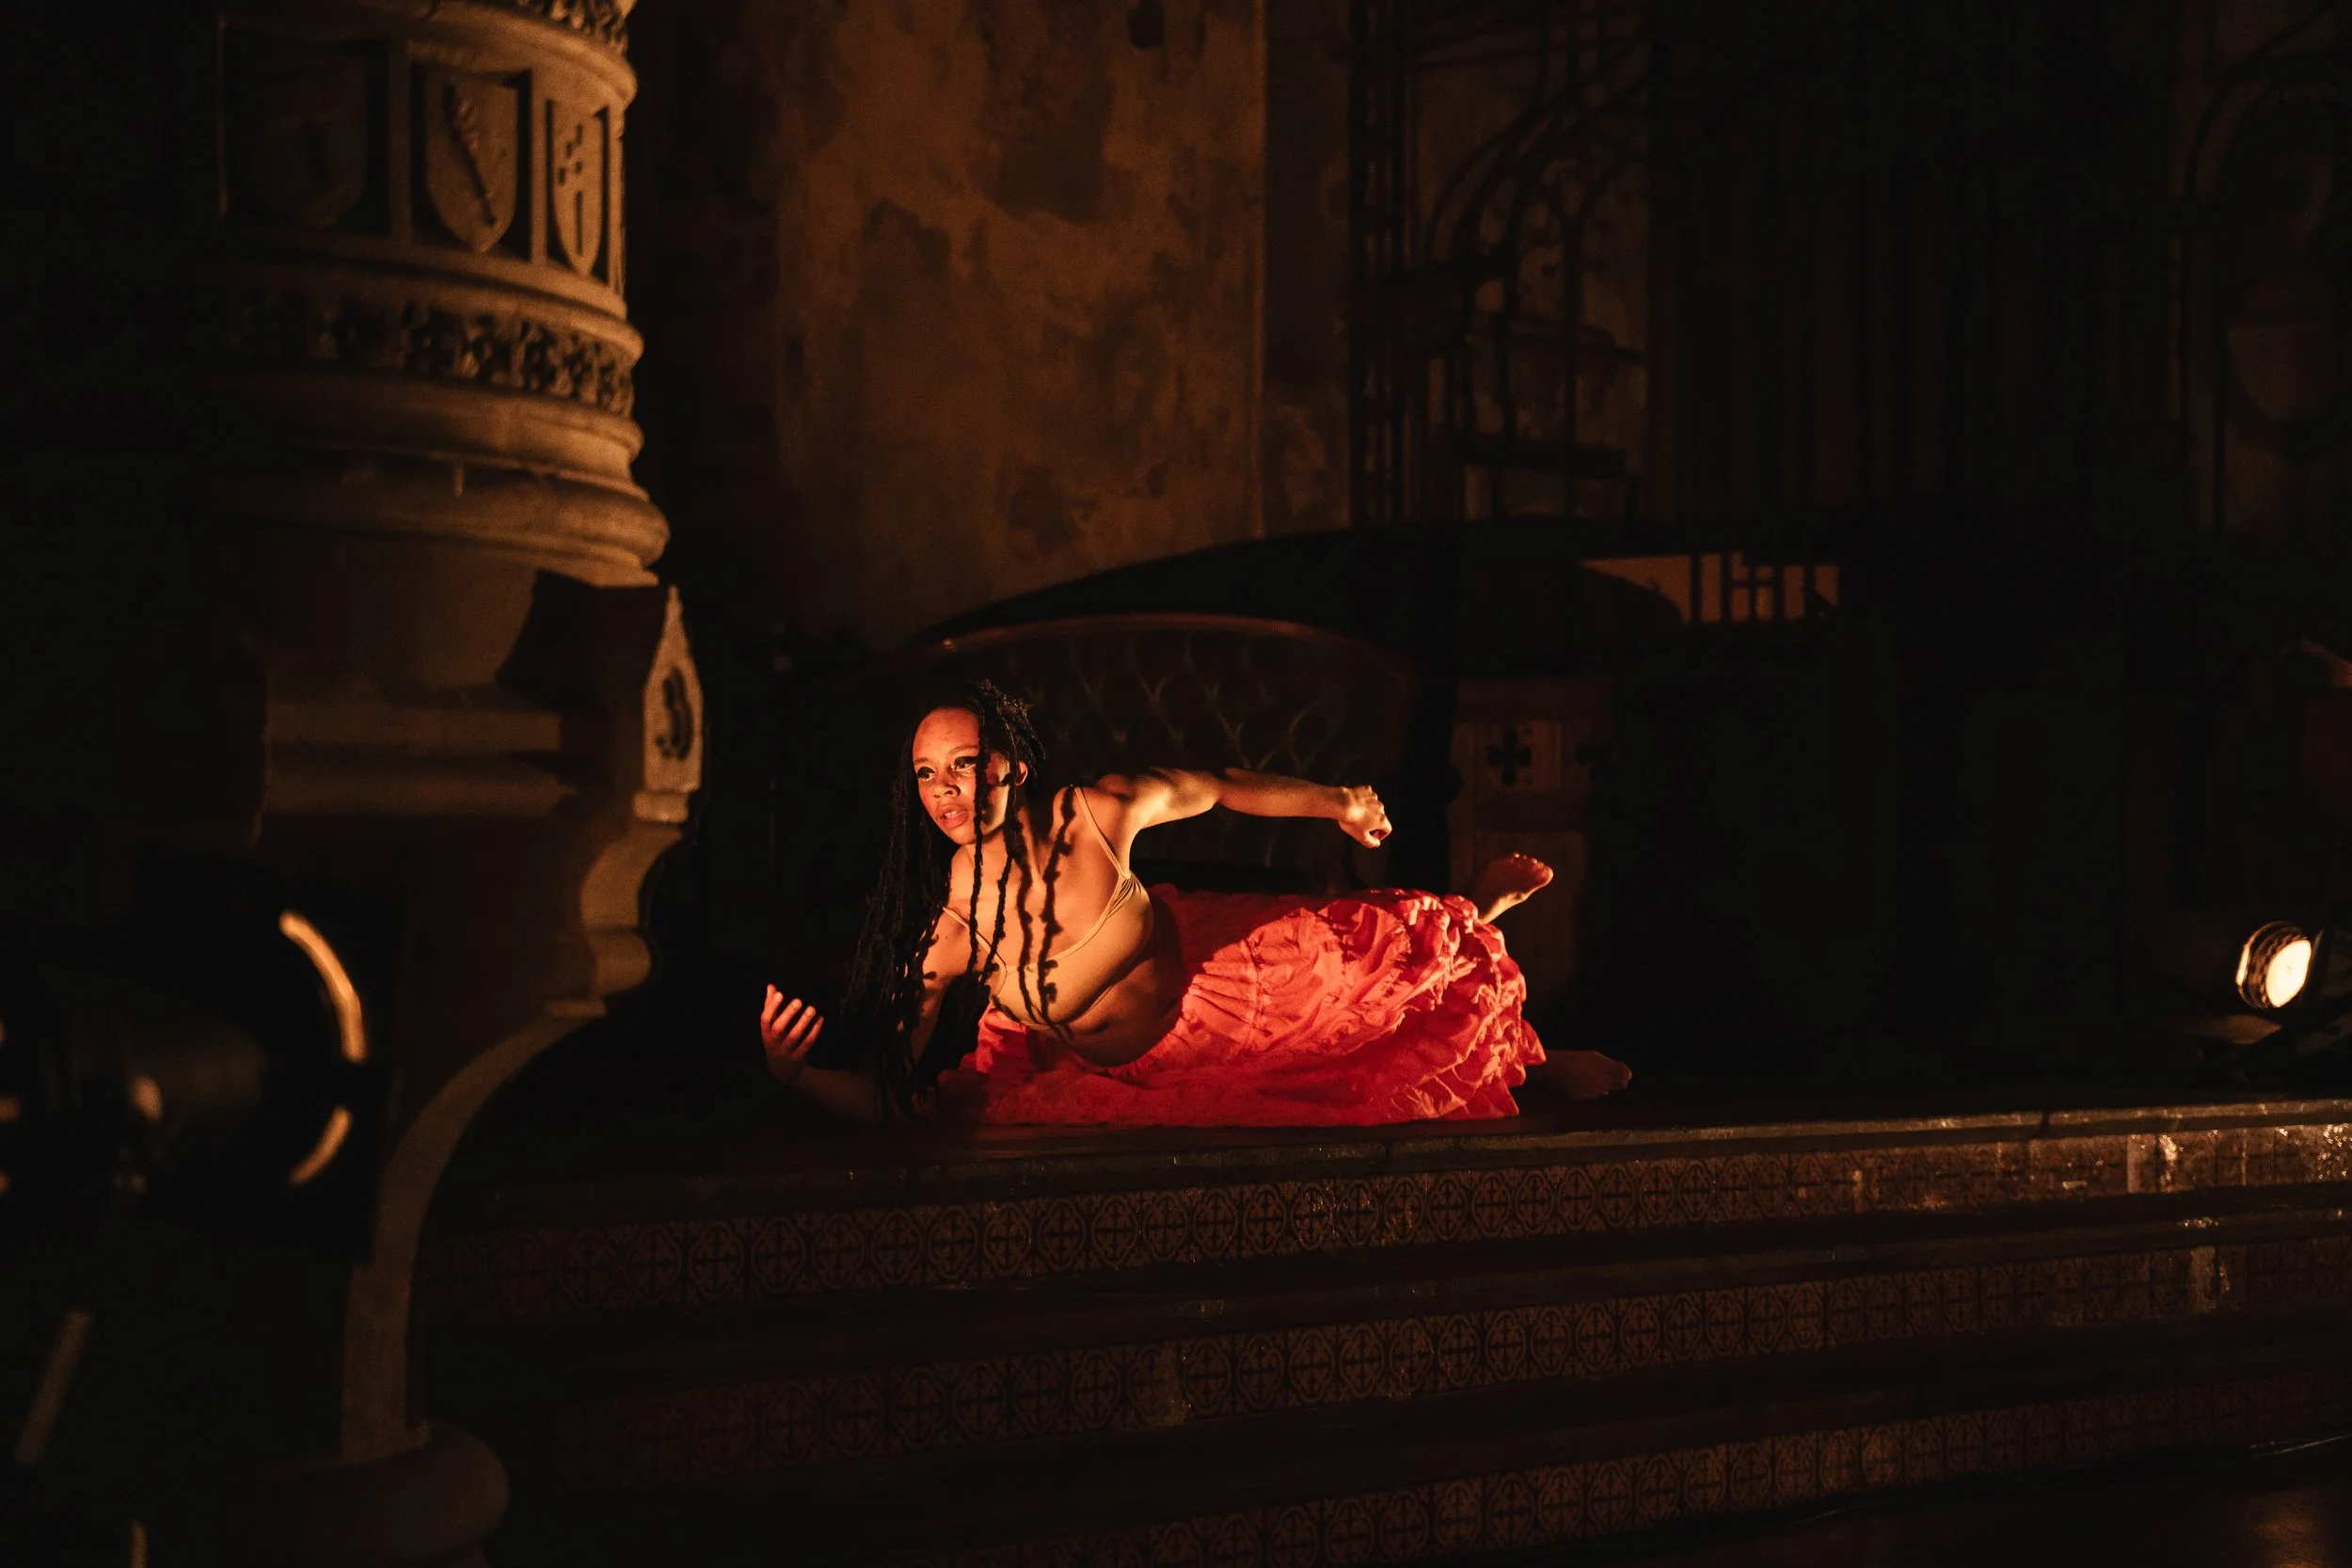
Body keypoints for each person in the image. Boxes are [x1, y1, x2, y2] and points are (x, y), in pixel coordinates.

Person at [759, 681, 1630, 1125]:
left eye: (965, 763)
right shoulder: (951, 935)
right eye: (926, 775)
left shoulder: (1099, 813)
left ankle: (1486, 935)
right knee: (1349, 1085)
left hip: (1230, 989)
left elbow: (1216, 785)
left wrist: (1337, 800)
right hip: (1134, 1071)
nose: (947, 791)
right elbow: (896, 1101)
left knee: (1393, 960)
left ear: (1012, 767)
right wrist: (797, 1076)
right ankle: (1509, 1007)